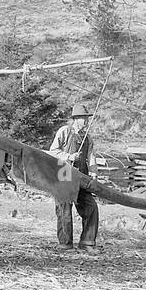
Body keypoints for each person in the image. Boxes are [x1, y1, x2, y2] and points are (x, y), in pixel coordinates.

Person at [49, 103, 99, 251]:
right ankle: (65, 244)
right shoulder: (64, 131)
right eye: (84, 118)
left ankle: (87, 242)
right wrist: (69, 156)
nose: (86, 121)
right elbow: (53, 152)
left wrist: (94, 174)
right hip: (63, 176)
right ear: (76, 119)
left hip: (81, 178)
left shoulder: (87, 138)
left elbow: (91, 157)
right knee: (64, 210)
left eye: (87, 118)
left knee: (91, 207)